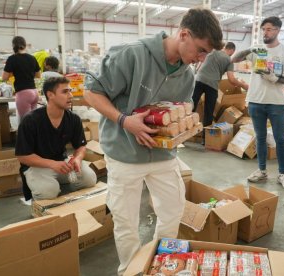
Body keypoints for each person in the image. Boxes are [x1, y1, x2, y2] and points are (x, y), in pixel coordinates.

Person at [83, 8, 223, 275]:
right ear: (183, 34)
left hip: (162, 156)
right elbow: (91, 93)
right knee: (126, 221)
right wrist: (125, 121)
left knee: (173, 209)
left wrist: (181, 129)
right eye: (201, 50)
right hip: (124, 154)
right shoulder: (131, 54)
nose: (201, 60)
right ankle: (131, 270)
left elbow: (175, 112)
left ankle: (162, 264)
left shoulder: (187, 75)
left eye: (207, 54)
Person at [232, 16, 284, 190]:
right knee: (260, 138)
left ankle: (282, 173)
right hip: (255, 100)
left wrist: (274, 77)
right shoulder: (258, 50)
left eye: (269, 29)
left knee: (280, 139)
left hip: (276, 102)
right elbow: (234, 59)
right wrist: (249, 50)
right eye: (263, 29)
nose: (265, 32)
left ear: (277, 30)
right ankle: (262, 171)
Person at [15, 77, 97, 200]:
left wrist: (78, 158)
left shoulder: (73, 119)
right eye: (65, 92)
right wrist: (52, 164)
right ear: (50, 95)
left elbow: (81, 146)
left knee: (89, 179)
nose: (70, 95)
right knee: (48, 191)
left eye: (70, 91)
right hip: (37, 167)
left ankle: (74, 200)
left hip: (62, 163)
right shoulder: (30, 121)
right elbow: (22, 156)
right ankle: (41, 204)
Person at [192, 41, 248, 144]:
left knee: (192, 106)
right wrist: (244, 86)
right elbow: (231, 79)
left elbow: (200, 64)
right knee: (208, 112)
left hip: (199, 79)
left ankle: (185, 133)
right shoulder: (229, 60)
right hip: (212, 85)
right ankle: (205, 139)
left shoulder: (213, 51)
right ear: (232, 50)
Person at [2, 36, 41, 122]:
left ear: (13, 46)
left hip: (23, 93)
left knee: (25, 124)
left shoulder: (12, 58)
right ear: (25, 45)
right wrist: (27, 73)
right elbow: (38, 75)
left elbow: (4, 77)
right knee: (33, 122)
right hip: (34, 92)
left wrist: (14, 73)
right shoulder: (32, 58)